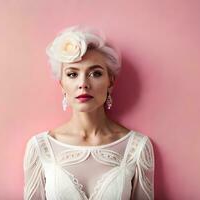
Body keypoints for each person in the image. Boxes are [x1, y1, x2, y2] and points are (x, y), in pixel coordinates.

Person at [23, 25, 155, 200]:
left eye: (95, 73)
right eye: (72, 74)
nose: (83, 84)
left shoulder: (137, 148)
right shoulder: (40, 148)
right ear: (61, 85)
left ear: (111, 82)